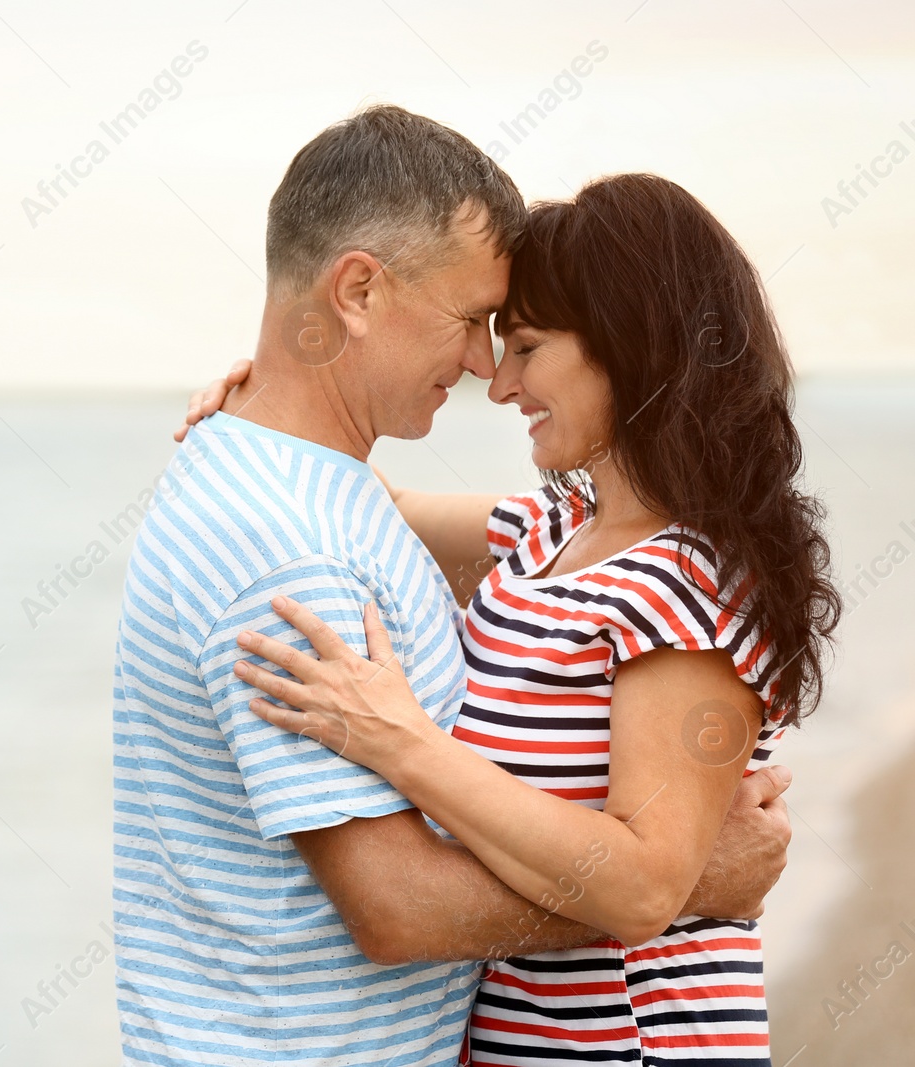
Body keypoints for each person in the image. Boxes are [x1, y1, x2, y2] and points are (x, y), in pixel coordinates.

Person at [113, 105, 793, 1067]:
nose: (493, 374)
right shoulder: (547, 532)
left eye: (520, 342)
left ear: (630, 352)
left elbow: (640, 879)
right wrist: (257, 394)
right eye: (479, 326)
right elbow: (370, 502)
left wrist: (406, 743)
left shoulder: (676, 580)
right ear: (358, 289)